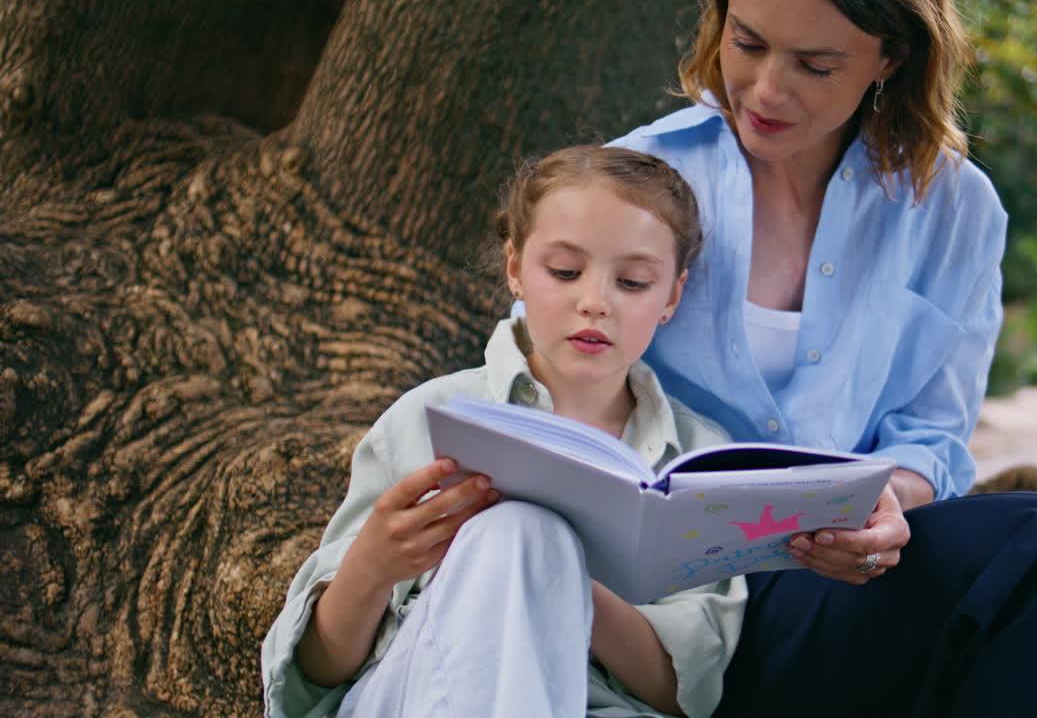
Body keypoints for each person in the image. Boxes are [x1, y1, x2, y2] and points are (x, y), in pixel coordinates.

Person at [606, 0, 1037, 715]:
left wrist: (890, 506)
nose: (764, 89)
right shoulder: (633, 179)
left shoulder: (955, 209)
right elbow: (539, 385)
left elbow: (932, 434)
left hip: (843, 582)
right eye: (747, 43)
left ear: (893, 58)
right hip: (673, 605)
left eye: (816, 66)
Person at [260, 146, 747, 718]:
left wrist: (554, 580)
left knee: (529, 537)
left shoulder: (702, 460)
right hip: (418, 694)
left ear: (672, 296)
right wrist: (372, 565)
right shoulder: (428, 416)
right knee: (513, 531)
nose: (595, 303)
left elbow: (680, 692)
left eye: (633, 282)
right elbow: (316, 673)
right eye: (564, 272)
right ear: (514, 268)